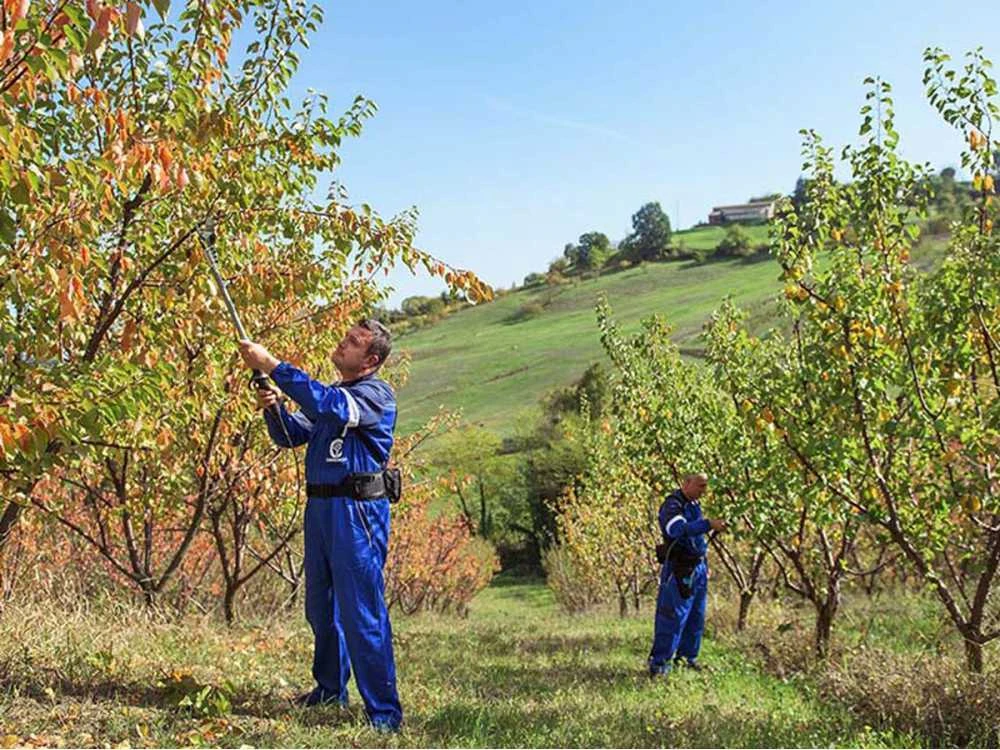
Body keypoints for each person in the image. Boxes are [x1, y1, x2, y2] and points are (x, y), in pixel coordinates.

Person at [238, 319, 402, 732]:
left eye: (353, 343)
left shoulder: (374, 395)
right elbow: (291, 436)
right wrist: (274, 407)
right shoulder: (336, 397)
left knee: (361, 613)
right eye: (345, 337)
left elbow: (329, 406)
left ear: (371, 360)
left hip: (357, 514)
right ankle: (329, 689)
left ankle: (384, 713)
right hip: (321, 511)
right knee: (321, 607)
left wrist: (274, 365)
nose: (342, 344)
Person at [648, 472, 725, 676]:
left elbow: (697, 540)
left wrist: (705, 563)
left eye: (706, 486)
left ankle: (687, 659)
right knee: (673, 616)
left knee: (695, 617)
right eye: (700, 485)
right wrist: (708, 524)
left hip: (697, 568)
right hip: (679, 568)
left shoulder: (694, 505)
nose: (704, 490)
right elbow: (677, 530)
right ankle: (660, 664)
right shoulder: (673, 505)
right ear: (687, 483)